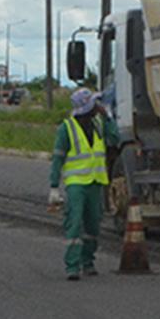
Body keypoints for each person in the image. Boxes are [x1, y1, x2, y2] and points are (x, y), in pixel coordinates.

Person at [47, 87, 121, 281]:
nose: (98, 107)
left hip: (96, 182)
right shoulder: (67, 128)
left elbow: (115, 139)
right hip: (76, 184)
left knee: (93, 224)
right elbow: (58, 158)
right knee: (74, 222)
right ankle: (72, 265)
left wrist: (108, 119)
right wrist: (54, 186)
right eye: (94, 105)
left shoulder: (99, 124)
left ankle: (88, 261)